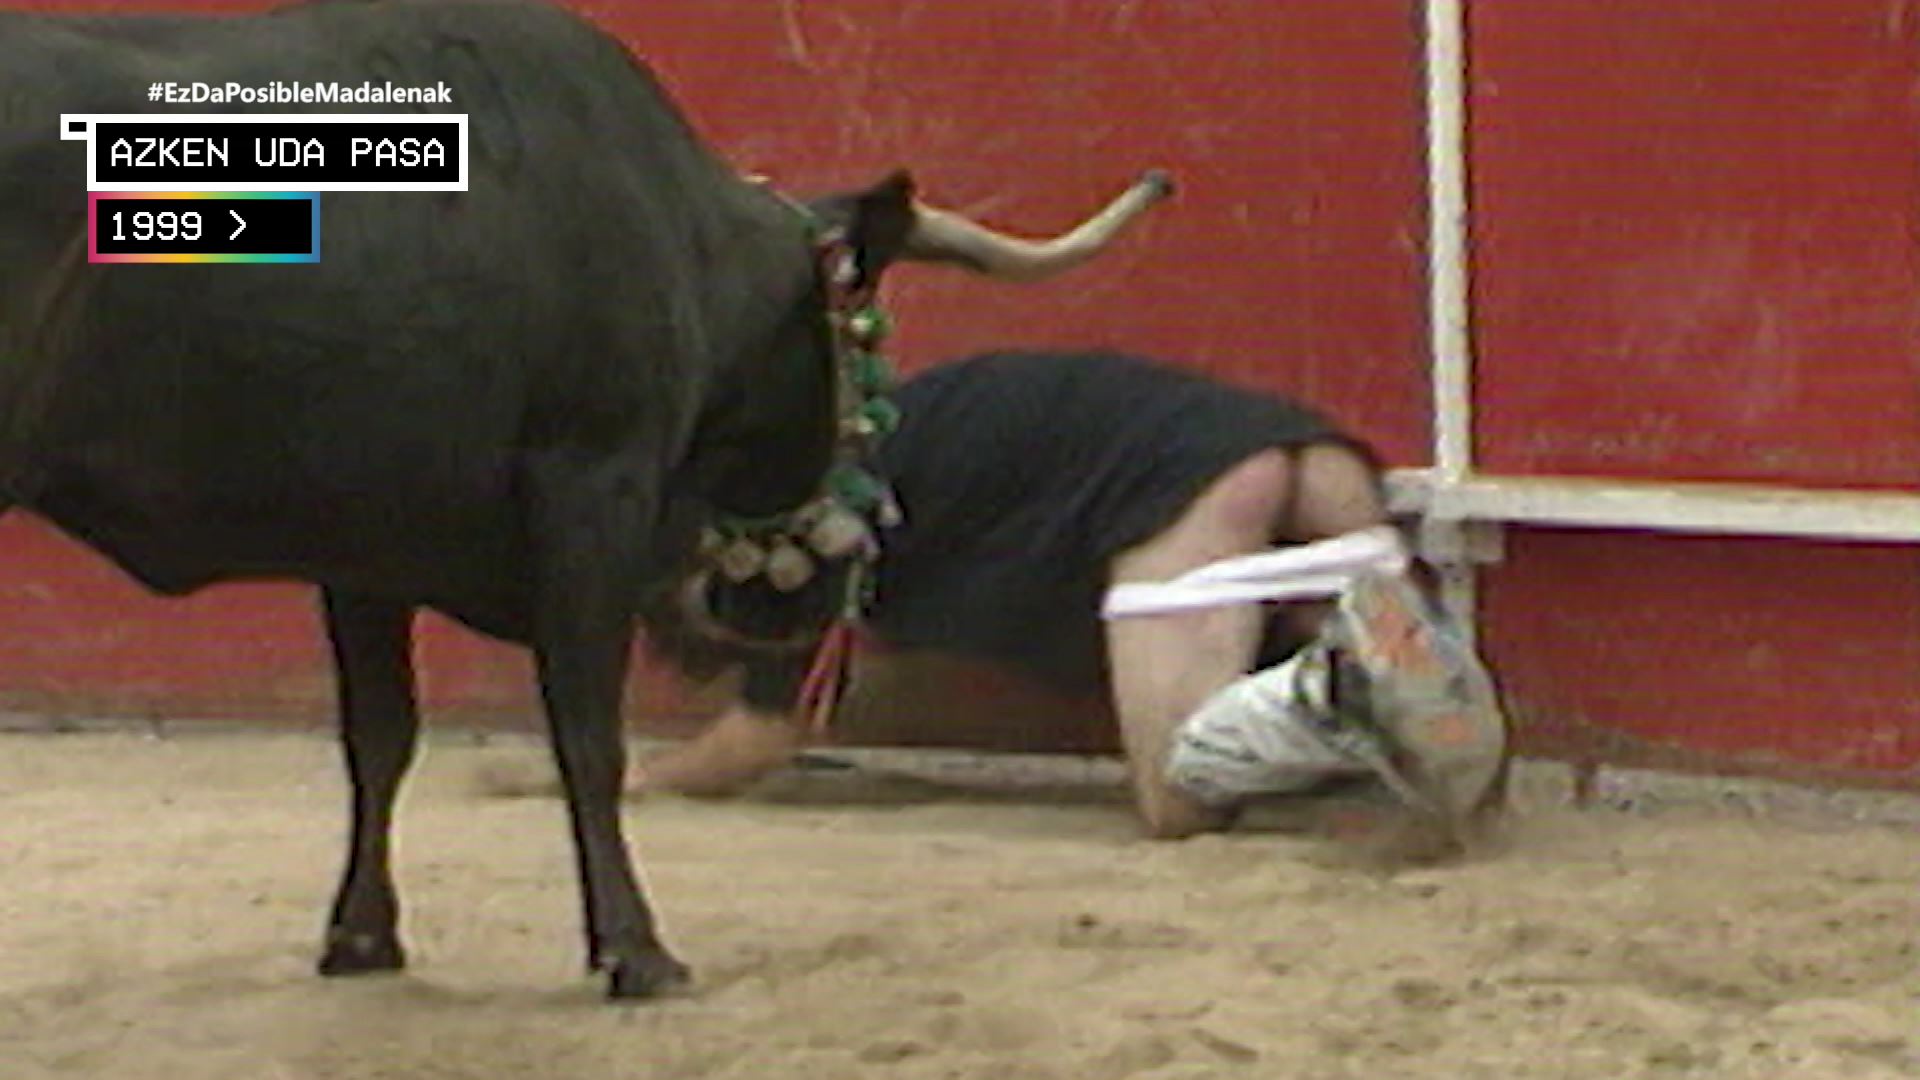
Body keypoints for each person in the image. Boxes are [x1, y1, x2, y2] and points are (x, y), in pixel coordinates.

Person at [622, 349, 1509, 842]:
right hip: (1315, 462)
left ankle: (1334, 689)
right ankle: (1378, 678)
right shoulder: (890, 433)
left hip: (1192, 487)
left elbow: (763, 736)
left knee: (1180, 798)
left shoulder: (788, 532)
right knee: (1427, 747)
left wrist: (637, 780)